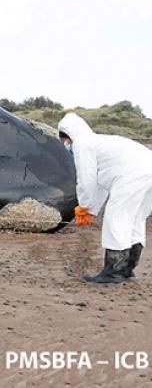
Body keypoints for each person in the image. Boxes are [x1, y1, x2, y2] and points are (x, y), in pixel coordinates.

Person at [59, 112, 152, 283]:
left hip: (133, 175)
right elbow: (100, 184)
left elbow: (86, 180)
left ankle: (113, 272)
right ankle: (126, 269)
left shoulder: (82, 144)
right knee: (135, 219)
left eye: (64, 140)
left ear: (67, 137)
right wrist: (91, 210)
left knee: (117, 218)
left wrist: (83, 207)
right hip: (147, 170)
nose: (65, 144)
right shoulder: (100, 142)